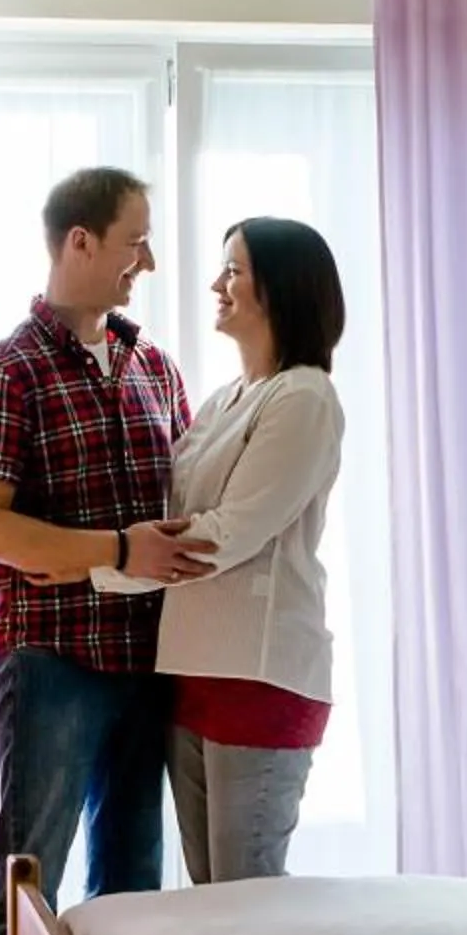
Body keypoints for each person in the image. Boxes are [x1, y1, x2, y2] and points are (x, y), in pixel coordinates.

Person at [0, 167, 216, 935]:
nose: (148, 258)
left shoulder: (156, 368)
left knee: (133, 892)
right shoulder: (4, 374)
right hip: (53, 661)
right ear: (79, 246)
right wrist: (115, 547)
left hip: (148, 666)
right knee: (26, 887)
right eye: (135, 240)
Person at [97, 219, 349, 885]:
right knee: (213, 902)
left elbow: (228, 534)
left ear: (279, 287)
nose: (217, 284)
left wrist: (99, 566)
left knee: (246, 900)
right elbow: (177, 519)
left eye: (233, 270)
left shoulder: (304, 396)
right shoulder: (223, 401)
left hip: (260, 676)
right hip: (195, 672)